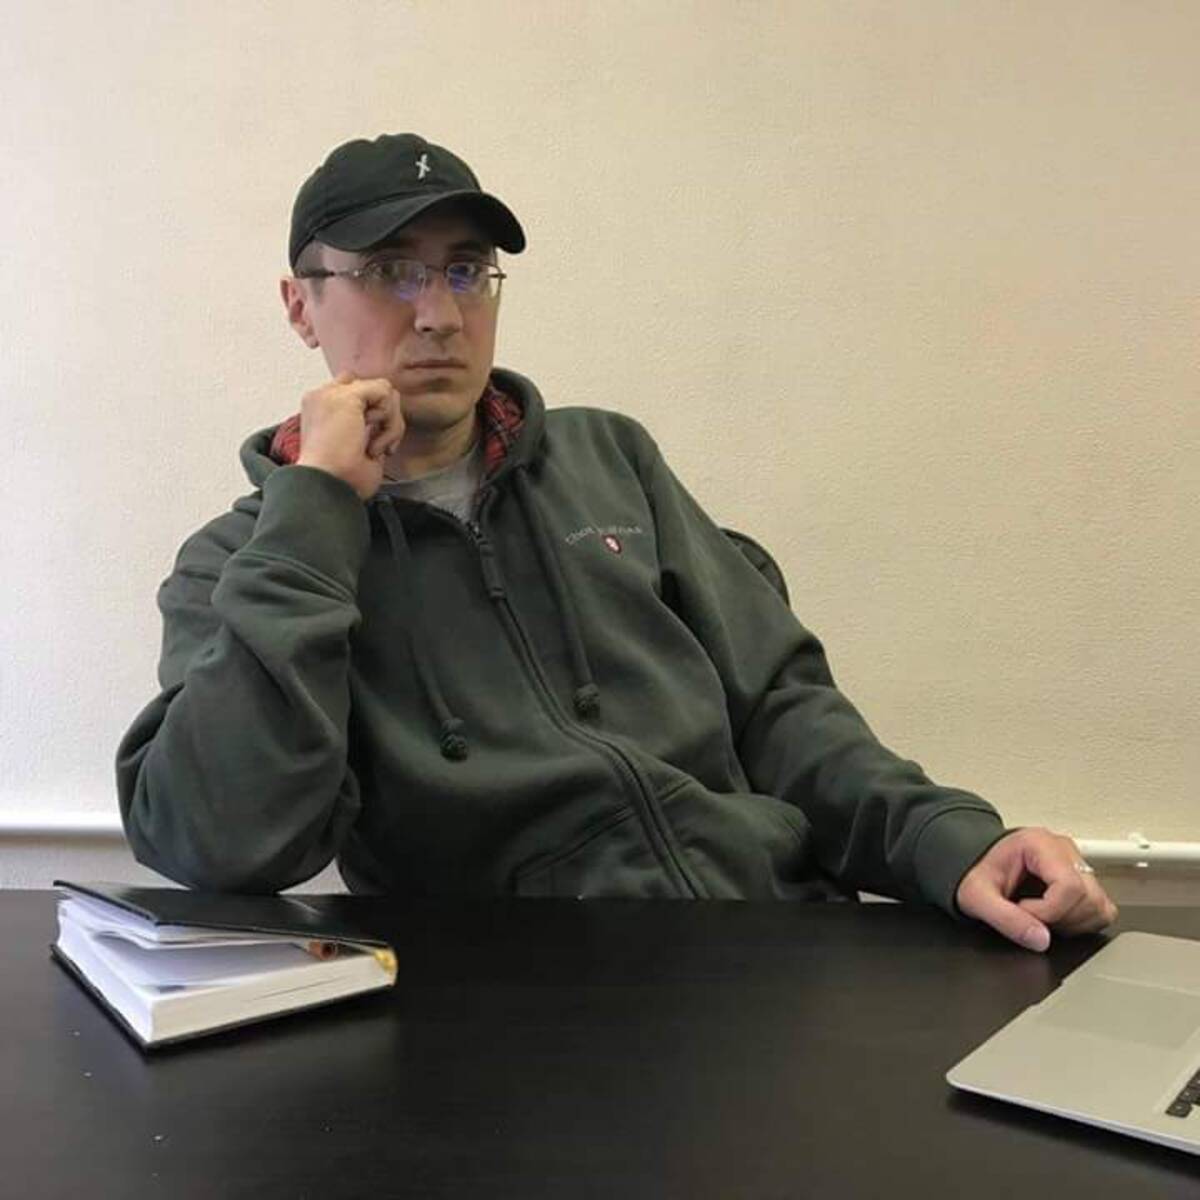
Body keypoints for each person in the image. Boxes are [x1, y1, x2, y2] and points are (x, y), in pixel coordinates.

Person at [117, 132, 1116, 952]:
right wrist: (316, 510)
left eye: (466, 271)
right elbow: (223, 845)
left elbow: (783, 710)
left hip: (777, 946)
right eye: (391, 272)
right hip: (518, 1015)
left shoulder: (610, 461)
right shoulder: (247, 560)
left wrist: (950, 843)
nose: (441, 315)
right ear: (300, 306)